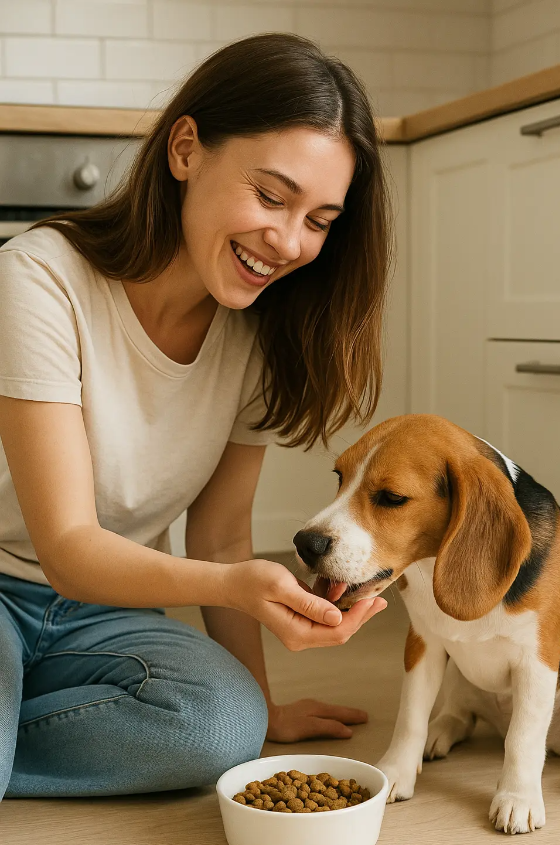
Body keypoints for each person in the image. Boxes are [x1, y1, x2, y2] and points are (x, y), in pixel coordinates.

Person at [0, 32, 392, 800]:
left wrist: (263, 707)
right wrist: (232, 586)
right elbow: (68, 547)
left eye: (319, 219)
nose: (287, 241)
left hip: (104, 612)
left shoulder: (256, 335)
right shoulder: (39, 279)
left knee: (222, 729)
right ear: (186, 149)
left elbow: (221, 535)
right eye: (271, 196)